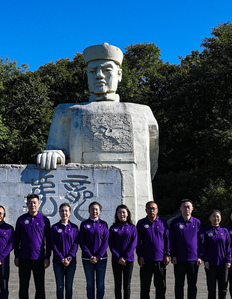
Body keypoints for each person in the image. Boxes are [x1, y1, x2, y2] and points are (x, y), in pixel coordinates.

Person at [35, 43, 159, 221]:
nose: (99, 75)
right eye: (92, 71)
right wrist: (54, 153)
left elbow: (151, 164)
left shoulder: (142, 113)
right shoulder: (67, 111)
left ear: (119, 74)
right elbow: (55, 149)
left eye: (107, 70)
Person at [13, 194, 51, 299]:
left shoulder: (44, 220)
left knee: (39, 285)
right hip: (24, 258)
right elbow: (16, 239)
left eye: (34, 202)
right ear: (27, 204)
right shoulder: (21, 219)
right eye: (30, 202)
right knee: (23, 285)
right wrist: (16, 256)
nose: (32, 205)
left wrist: (47, 257)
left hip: (39, 258)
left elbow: (48, 240)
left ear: (39, 204)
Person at [169, 199, 203, 299]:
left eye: (189, 207)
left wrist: (200, 256)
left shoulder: (197, 223)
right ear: (180, 209)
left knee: (192, 285)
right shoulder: (175, 223)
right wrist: (172, 255)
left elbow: (201, 241)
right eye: (184, 207)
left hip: (193, 260)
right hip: (179, 259)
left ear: (192, 208)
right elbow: (171, 240)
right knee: (179, 284)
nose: (187, 209)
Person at [136, 201, 170, 299]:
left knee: (161, 285)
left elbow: (167, 239)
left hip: (160, 260)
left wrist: (167, 254)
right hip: (146, 260)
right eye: (149, 209)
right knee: (145, 285)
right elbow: (138, 242)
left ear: (157, 210)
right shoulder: (141, 223)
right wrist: (139, 255)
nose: (152, 211)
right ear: (146, 210)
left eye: (154, 209)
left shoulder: (163, 222)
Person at [78, 201, 109, 299]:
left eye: (96, 209)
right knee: (90, 284)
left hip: (101, 259)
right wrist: (90, 255)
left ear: (100, 211)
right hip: (87, 259)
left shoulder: (104, 224)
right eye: (92, 209)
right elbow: (82, 242)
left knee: (100, 284)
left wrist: (98, 256)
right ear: (89, 211)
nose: (94, 211)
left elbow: (105, 242)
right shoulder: (84, 224)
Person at [49, 203, 79, 299]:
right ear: (59, 212)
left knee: (69, 286)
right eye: (62, 211)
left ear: (70, 212)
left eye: (66, 211)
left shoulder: (75, 228)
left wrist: (69, 258)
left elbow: (76, 244)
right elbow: (53, 244)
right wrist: (61, 258)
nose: (64, 213)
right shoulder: (55, 228)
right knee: (60, 286)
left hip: (71, 263)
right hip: (58, 262)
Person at [109, 204, 138, 299]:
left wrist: (125, 257)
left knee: (127, 285)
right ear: (117, 214)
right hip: (116, 260)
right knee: (117, 284)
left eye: (124, 212)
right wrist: (118, 257)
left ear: (127, 214)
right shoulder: (113, 228)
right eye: (120, 212)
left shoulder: (132, 227)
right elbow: (111, 244)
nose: (122, 214)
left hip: (128, 260)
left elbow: (133, 244)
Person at [203, 210, 232, 299]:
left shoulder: (224, 231)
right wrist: (205, 259)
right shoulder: (206, 231)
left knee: (223, 285)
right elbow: (204, 247)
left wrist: (228, 260)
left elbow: (228, 247)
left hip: (223, 263)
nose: (216, 219)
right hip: (210, 263)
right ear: (210, 218)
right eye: (213, 216)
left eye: (218, 217)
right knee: (211, 285)